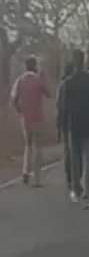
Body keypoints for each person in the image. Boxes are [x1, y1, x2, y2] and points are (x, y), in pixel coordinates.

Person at [63, 49, 89, 208]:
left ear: (73, 63)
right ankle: (88, 193)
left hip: (74, 124)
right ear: (84, 61)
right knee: (88, 161)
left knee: (75, 160)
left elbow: (65, 107)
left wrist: (64, 127)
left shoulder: (68, 82)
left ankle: (76, 189)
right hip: (88, 124)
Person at [11, 55, 50, 187]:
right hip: (37, 117)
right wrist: (43, 77)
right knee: (38, 147)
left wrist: (19, 111)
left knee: (28, 145)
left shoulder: (20, 80)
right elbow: (48, 93)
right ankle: (37, 179)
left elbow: (13, 99)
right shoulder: (38, 79)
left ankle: (25, 171)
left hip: (25, 118)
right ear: (34, 66)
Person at [56, 62, 74, 193]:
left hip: (65, 120)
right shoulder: (73, 84)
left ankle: (69, 177)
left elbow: (58, 105)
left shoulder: (61, 85)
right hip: (74, 120)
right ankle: (75, 176)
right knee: (75, 150)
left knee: (68, 149)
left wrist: (58, 123)